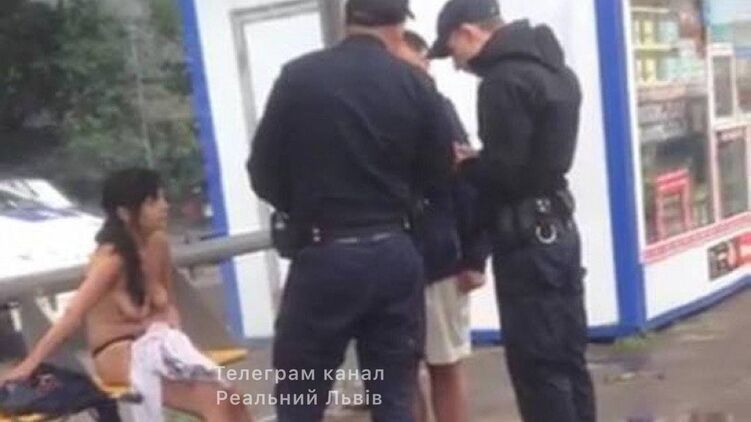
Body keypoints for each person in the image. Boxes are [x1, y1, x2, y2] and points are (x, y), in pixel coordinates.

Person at [247, 0, 454, 419]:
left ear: (347, 20)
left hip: (324, 252)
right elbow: (439, 170)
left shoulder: (299, 78)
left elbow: (262, 170)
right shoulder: (415, 84)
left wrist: (302, 208)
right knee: (393, 394)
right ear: (399, 26)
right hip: (394, 250)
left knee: (301, 395)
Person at [428, 0, 596, 421]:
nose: (458, 65)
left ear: (468, 32)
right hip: (558, 226)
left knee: (537, 366)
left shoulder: (502, 82)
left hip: (525, 239)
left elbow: (506, 174)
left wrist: (467, 166)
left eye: (453, 51)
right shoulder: (556, 70)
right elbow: (535, 159)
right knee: (569, 357)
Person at [0, 168, 253, 422]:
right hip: (117, 353)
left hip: (159, 344)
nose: (164, 206)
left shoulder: (157, 244)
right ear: (124, 212)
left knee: (231, 397)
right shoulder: (112, 258)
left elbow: (168, 306)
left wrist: (173, 335)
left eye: (163, 198)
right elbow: (72, 315)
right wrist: (29, 365)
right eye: (153, 201)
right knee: (214, 400)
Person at [397, 30, 488, 422]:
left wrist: (475, 256)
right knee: (398, 373)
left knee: (444, 365)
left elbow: (466, 183)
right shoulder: (369, 111)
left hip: (437, 259)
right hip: (389, 259)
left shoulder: (437, 109)